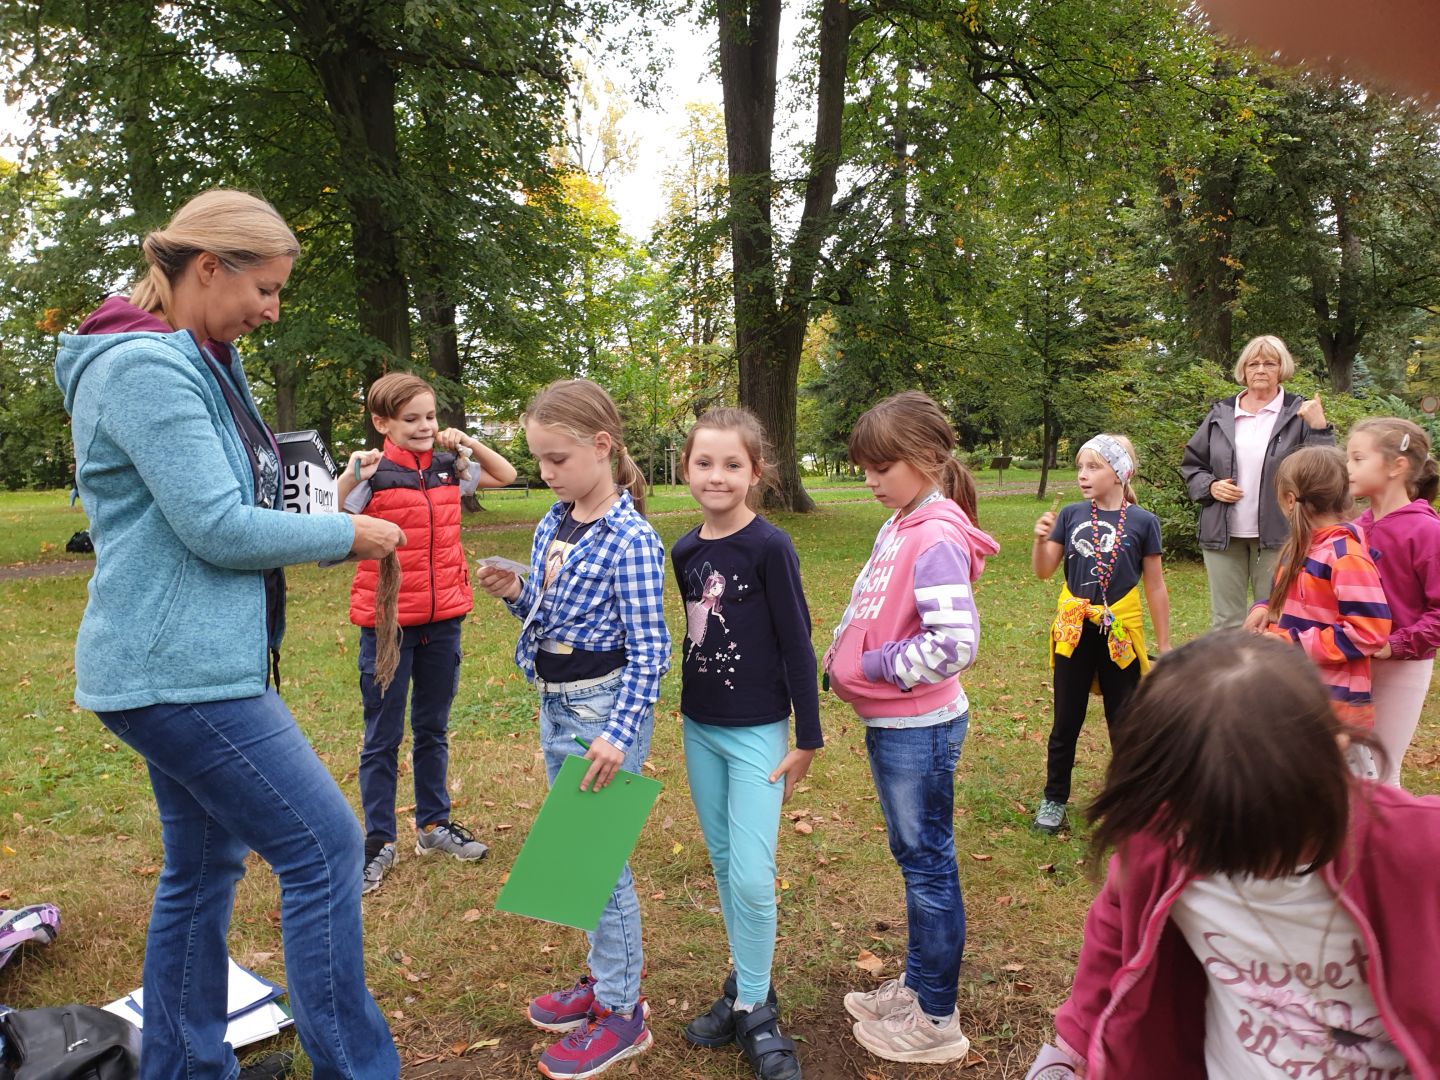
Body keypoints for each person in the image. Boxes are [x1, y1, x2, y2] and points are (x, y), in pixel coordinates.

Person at [53, 189, 404, 1080]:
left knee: (204, 868)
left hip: (190, 665)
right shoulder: (146, 368)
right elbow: (215, 526)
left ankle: (183, 1066)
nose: (272, 310)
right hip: (178, 674)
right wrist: (346, 535)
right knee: (325, 847)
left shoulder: (201, 357)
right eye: (266, 288)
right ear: (209, 268)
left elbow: (238, 500)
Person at [1024, 631, 1440, 1080]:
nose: (1249, 865)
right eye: (1216, 838)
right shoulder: (1163, 837)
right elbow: (1112, 936)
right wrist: (1070, 1052)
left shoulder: (1417, 849)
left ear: (1336, 749)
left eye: (1268, 831)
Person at [474, 379, 669, 1080]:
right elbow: (554, 613)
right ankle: (603, 976)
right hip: (556, 704)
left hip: (600, 714)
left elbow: (651, 651)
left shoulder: (632, 540)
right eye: (538, 459)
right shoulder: (555, 522)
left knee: (598, 861)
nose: (546, 472)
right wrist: (517, 591)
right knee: (579, 852)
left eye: (556, 458)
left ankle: (622, 1012)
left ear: (601, 446)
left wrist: (617, 734)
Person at [822, 391, 999, 1066]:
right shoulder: (901, 523)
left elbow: (955, 642)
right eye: (864, 468)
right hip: (896, 724)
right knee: (918, 861)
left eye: (881, 467)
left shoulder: (935, 536)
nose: (869, 480)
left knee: (928, 867)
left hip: (918, 728)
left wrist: (871, 665)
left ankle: (935, 1019)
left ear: (925, 459)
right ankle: (920, 985)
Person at [671, 408, 821, 1080]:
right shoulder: (684, 552)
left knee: (755, 876)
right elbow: (695, 635)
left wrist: (808, 738)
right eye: (704, 462)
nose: (717, 475)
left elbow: (796, 643)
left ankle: (756, 1011)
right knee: (726, 863)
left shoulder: (770, 547)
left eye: (732, 464)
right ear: (686, 469)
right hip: (700, 729)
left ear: (755, 472)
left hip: (759, 731)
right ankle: (745, 984)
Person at [334, 371, 518, 893]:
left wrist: (467, 441)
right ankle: (378, 840)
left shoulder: (447, 467)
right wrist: (350, 474)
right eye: (411, 418)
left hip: (443, 621)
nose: (424, 427)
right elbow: (326, 512)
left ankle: (433, 826)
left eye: (431, 417)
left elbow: (505, 474)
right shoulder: (373, 473)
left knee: (432, 728)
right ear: (382, 423)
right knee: (383, 736)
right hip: (388, 627)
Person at [1032, 434, 1170, 835]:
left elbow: (1155, 586)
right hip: (1074, 631)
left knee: (1123, 720)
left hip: (1119, 631)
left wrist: (1164, 646)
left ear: (1120, 473)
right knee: (1066, 720)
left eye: (1093, 467)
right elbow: (1043, 570)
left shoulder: (1143, 522)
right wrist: (1040, 540)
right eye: (1080, 467)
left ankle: (1129, 799)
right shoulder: (1071, 514)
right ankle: (1054, 798)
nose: (1083, 475)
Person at [1181, 335, 1335, 629]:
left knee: (1276, 618)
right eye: (1253, 363)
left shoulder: (1298, 413)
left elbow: (1325, 471)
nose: (1261, 369)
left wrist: (1319, 428)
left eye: (1269, 363)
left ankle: (1269, 663)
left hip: (1281, 533)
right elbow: (1193, 464)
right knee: (1227, 621)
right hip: (1223, 535)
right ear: (1243, 370)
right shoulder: (1221, 413)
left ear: (1282, 368)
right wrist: (1210, 486)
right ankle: (1229, 663)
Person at [1243, 446, 1391, 745]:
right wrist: (1265, 608)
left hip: (1332, 708)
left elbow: (1369, 632)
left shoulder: (1345, 556)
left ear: (1289, 499)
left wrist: (1291, 643)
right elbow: (1290, 602)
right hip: (1293, 693)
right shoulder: (1300, 548)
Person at [1348, 418, 1440, 787]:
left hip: (1402, 667)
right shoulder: (1352, 529)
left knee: (1382, 773)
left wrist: (1395, 645)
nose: (1347, 468)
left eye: (1358, 459)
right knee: (1346, 769)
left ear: (1396, 466)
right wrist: (1266, 606)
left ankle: (1391, 825)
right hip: (1349, 663)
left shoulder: (1427, 532)